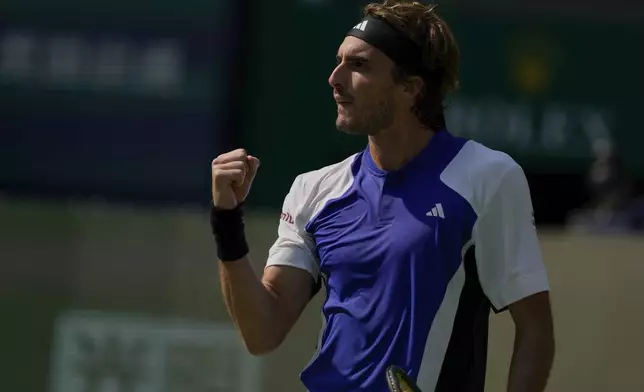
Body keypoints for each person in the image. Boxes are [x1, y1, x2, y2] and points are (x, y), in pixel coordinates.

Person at [210, 1, 555, 391]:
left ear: (410, 88)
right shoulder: (314, 190)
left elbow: (535, 331)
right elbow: (261, 333)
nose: (334, 78)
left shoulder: (489, 177)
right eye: (338, 61)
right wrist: (226, 221)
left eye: (358, 65)